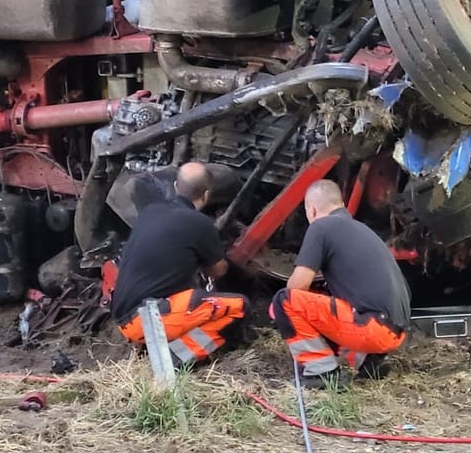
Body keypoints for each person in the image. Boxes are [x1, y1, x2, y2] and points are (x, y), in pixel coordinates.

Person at [272, 179, 411, 388]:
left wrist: (282, 315)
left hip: (372, 329)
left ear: (311, 209)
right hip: (396, 332)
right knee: (329, 302)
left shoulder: (321, 227)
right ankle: (366, 360)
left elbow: (297, 287)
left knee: (285, 300)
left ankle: (321, 372)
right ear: (341, 204)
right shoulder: (361, 230)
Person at [107, 162, 249, 367]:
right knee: (239, 307)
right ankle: (177, 358)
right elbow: (218, 271)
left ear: (175, 186)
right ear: (207, 195)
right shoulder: (201, 224)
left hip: (124, 317)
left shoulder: (150, 212)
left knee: (193, 300)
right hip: (149, 320)